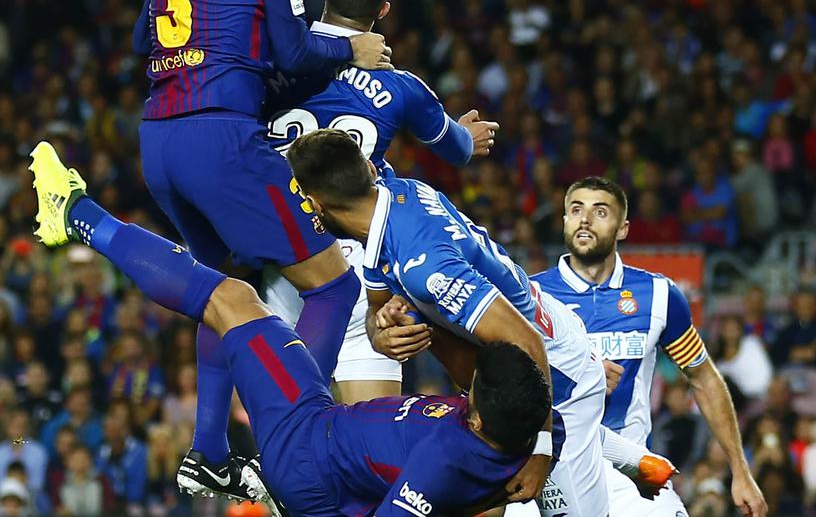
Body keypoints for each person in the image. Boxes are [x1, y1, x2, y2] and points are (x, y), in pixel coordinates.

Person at [29, 140, 558, 517]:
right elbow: (526, 399)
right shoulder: (510, 430)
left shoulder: (444, 463)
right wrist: (542, 445)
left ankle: (77, 215)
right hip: (331, 457)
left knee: (232, 299)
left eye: (472, 393)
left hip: (305, 448)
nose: (466, 390)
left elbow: (521, 352)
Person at [130, 0, 392, 500]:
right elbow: (294, 48)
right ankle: (293, 441)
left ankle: (210, 452)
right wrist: (351, 48)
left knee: (225, 291)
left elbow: (142, 39)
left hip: (158, 138)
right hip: (221, 136)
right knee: (333, 287)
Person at [283, 130, 609, 516]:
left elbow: (525, 342)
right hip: (496, 386)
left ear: (314, 205)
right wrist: (382, 334)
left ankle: (621, 458)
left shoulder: (428, 266)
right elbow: (378, 310)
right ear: (369, 169)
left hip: (555, 384)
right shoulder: (394, 199)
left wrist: (542, 448)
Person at [263, 0, 499, 403]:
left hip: (280, 257)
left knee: (288, 423)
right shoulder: (401, 86)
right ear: (384, 10)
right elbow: (458, 149)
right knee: (370, 432)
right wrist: (467, 137)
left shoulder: (273, 63)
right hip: (358, 264)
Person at [531, 177, 768, 517]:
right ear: (565, 220)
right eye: (576, 210)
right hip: (551, 466)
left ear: (623, 229)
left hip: (630, 469)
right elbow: (498, 381)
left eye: (600, 211)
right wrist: (580, 376)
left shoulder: (658, 295)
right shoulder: (530, 297)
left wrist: (740, 470)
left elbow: (703, 377)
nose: (585, 219)